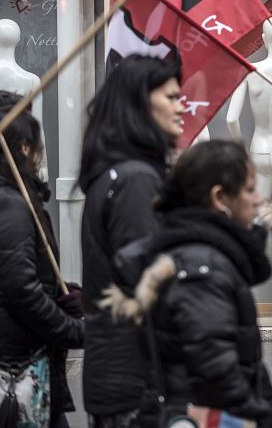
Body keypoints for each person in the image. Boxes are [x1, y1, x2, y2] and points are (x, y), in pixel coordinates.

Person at [101, 140, 272, 428]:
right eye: (248, 189)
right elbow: (215, 365)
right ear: (220, 198)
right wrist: (251, 414)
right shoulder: (202, 267)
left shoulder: (199, 255)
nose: (258, 199)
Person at [0, 92, 84, 428]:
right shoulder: (5, 203)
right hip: (13, 368)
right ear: (24, 147)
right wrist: (73, 330)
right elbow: (20, 291)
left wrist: (64, 294)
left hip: (16, 361)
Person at [77, 55, 184, 427]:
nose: (181, 106)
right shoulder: (135, 181)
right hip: (138, 377)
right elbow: (152, 283)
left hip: (122, 374)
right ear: (140, 104)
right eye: (170, 97)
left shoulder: (117, 173)